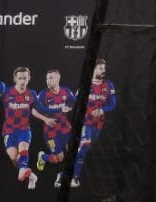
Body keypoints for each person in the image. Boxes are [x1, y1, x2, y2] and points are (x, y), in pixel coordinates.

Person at [1, 66, 52, 189]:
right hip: (9, 130)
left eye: (25, 78)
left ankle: (24, 168)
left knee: (23, 148)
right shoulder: (7, 92)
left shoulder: (32, 94)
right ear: (15, 79)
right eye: (20, 78)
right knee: (14, 157)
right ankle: (32, 176)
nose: (22, 81)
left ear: (29, 78)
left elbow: (42, 109)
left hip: (24, 129)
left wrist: (57, 109)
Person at [70, 58, 117, 188]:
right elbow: (75, 102)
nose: (103, 70)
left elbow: (113, 103)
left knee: (86, 149)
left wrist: (102, 109)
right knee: (85, 144)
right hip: (85, 122)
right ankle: (74, 178)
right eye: (101, 68)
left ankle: (66, 173)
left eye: (104, 68)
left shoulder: (109, 85)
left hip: (98, 124)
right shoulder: (85, 84)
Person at [34, 68, 75, 187]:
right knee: (59, 158)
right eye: (47, 78)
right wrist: (45, 119)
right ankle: (43, 157)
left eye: (51, 78)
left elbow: (72, 102)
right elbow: (33, 111)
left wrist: (70, 107)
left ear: (58, 78)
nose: (48, 80)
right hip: (51, 132)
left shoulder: (66, 91)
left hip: (66, 129)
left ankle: (64, 176)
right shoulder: (43, 94)